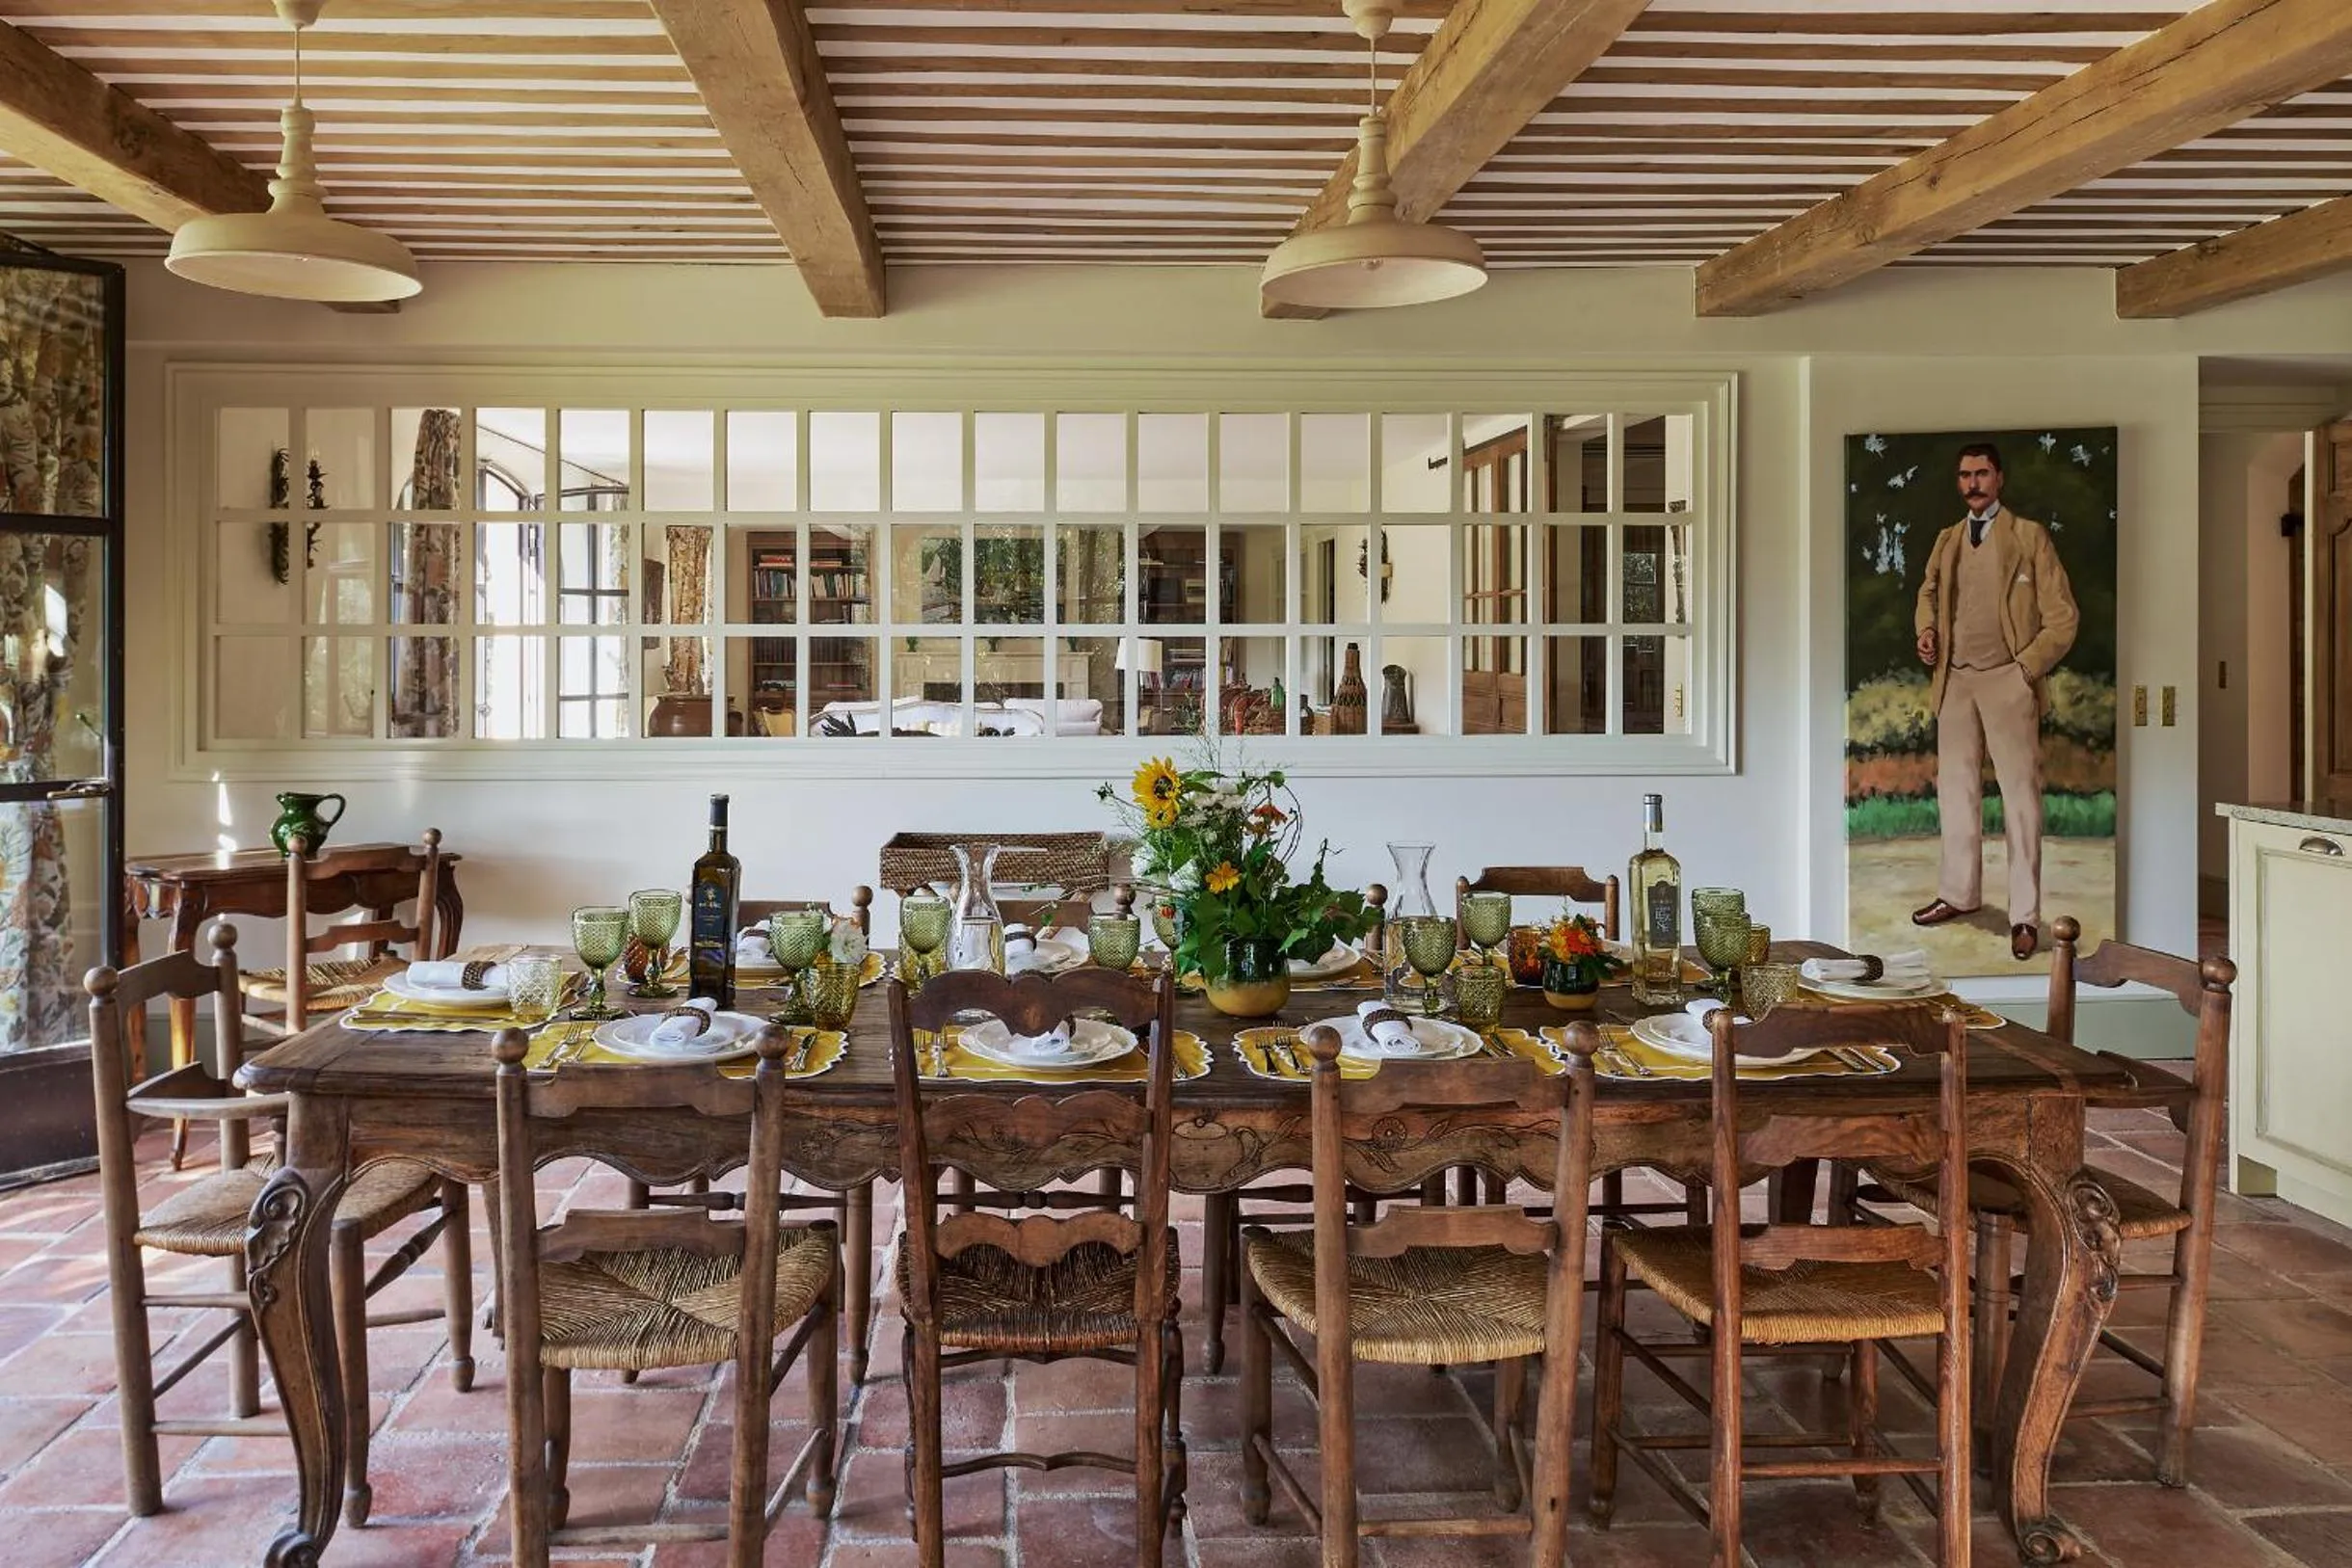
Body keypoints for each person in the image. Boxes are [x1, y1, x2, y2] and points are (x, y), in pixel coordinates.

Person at [1911, 442, 2079, 961]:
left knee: (2020, 798)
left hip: (2009, 679)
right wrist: (1928, 631)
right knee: (1956, 792)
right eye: (1965, 476)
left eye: (1982, 474)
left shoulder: (2029, 537)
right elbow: (1928, 595)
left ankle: (2025, 916)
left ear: (1999, 479)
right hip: (1954, 679)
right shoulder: (1948, 539)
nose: (1973, 484)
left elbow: (2063, 618)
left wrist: (2024, 669)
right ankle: (1959, 895)